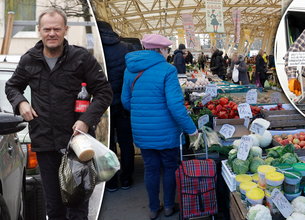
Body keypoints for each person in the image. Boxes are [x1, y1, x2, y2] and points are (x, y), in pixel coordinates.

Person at [5, 8, 112, 220]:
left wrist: (85, 121)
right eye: (47, 29)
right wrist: (21, 103)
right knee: (53, 208)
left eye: (56, 29)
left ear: (65, 30)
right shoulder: (29, 60)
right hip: (45, 143)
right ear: (39, 31)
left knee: (77, 205)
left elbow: (104, 92)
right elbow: (12, 87)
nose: (51, 33)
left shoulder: (80, 58)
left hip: (77, 144)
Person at [121, 34, 198, 220]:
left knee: (151, 168)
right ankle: (170, 206)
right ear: (162, 50)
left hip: (142, 130)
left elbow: (125, 101)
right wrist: (192, 129)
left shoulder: (129, 69)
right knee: (170, 167)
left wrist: (143, 111)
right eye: (167, 50)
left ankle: (154, 208)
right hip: (167, 131)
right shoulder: (167, 70)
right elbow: (175, 106)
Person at [97, 20, 135, 192]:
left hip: (103, 104)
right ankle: (126, 178)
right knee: (126, 141)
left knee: (106, 143)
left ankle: (111, 181)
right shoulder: (126, 48)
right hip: (124, 102)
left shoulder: (95, 49)